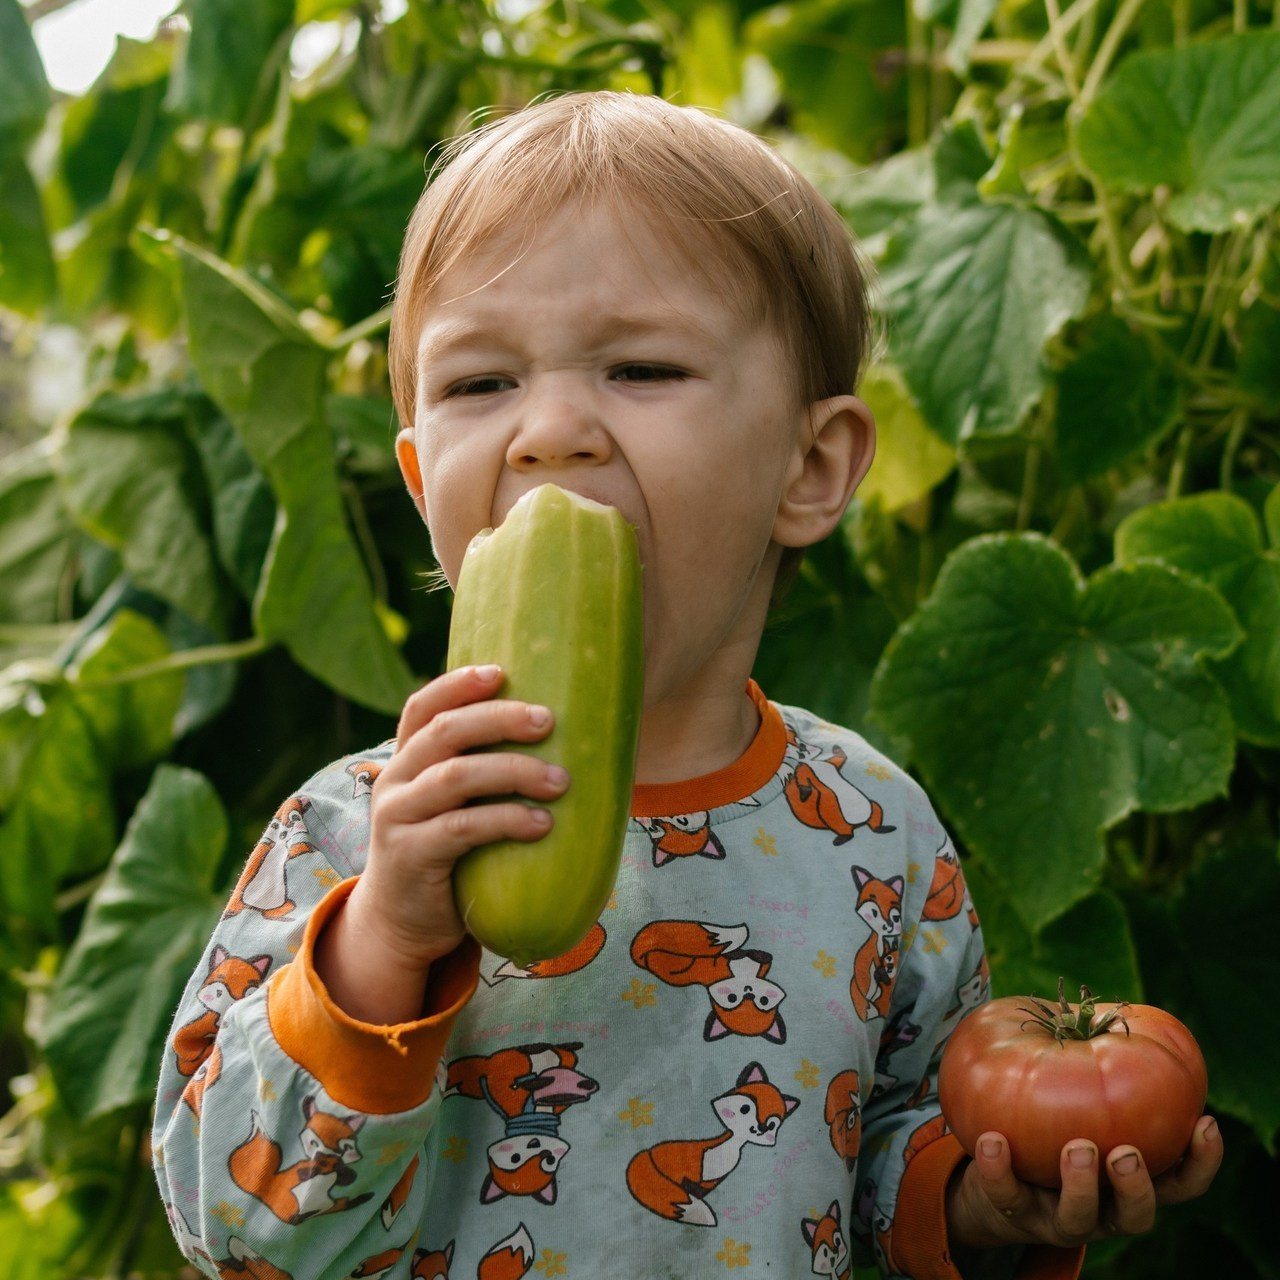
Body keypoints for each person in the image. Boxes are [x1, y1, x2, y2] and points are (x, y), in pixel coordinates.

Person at [152, 91, 1221, 1280]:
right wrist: (383, 942)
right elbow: (231, 1226)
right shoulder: (348, 834)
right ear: (417, 479)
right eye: (477, 384)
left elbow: (886, 1150)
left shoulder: (873, 832)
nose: (549, 431)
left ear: (807, 468)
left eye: (641, 366)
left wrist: (988, 1200)